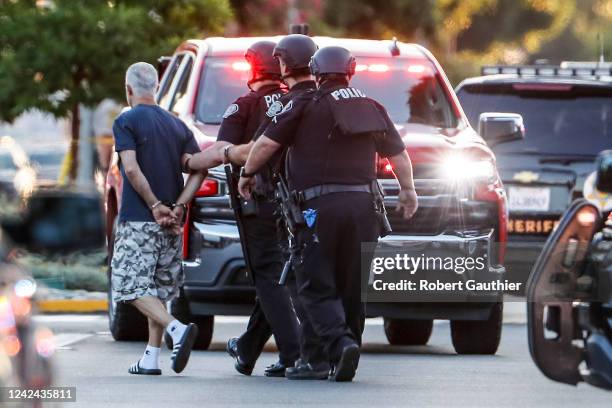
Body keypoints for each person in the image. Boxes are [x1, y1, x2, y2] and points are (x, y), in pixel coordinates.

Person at [238, 46, 419, 382]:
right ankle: (326, 359)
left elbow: (265, 144)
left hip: (317, 210)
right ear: (350, 71)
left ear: (317, 72)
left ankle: (339, 346)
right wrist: (408, 191)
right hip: (365, 209)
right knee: (352, 286)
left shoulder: (304, 104)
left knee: (313, 283)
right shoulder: (371, 104)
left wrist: (248, 173)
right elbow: (399, 155)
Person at [187, 36, 325, 378]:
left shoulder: (244, 105)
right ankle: (248, 347)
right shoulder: (300, 101)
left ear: (252, 67)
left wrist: (188, 161)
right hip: (301, 205)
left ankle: (294, 353)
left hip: (259, 203)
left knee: (267, 275)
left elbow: (223, 149)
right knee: (280, 275)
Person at [110, 62, 205, 376]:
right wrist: (178, 206)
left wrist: (153, 205)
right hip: (172, 225)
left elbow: (132, 169)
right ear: (155, 88)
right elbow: (198, 169)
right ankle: (151, 358)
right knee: (158, 291)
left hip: (140, 220)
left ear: (129, 90)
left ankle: (176, 331)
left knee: (130, 286)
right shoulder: (176, 125)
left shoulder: (126, 120)